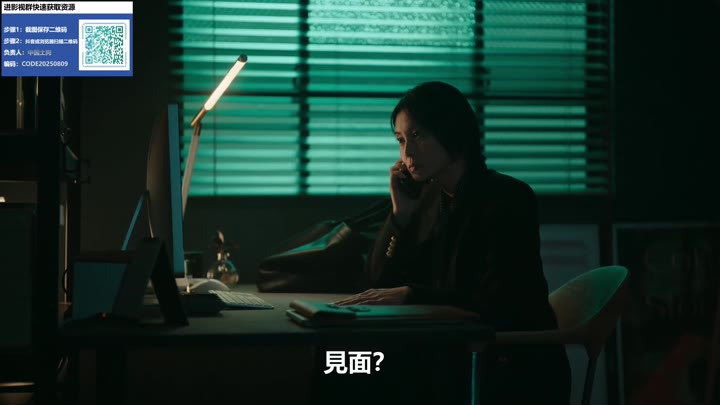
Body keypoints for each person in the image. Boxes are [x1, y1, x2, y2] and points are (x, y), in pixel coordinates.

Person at [327, 81, 572, 404]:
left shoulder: (507, 197)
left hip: (503, 362)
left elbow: (499, 301)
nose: (407, 154)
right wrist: (400, 216)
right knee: (337, 363)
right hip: (445, 350)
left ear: (452, 131)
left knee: (353, 373)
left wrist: (412, 294)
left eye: (418, 135)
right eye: (400, 140)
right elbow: (379, 282)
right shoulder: (430, 199)